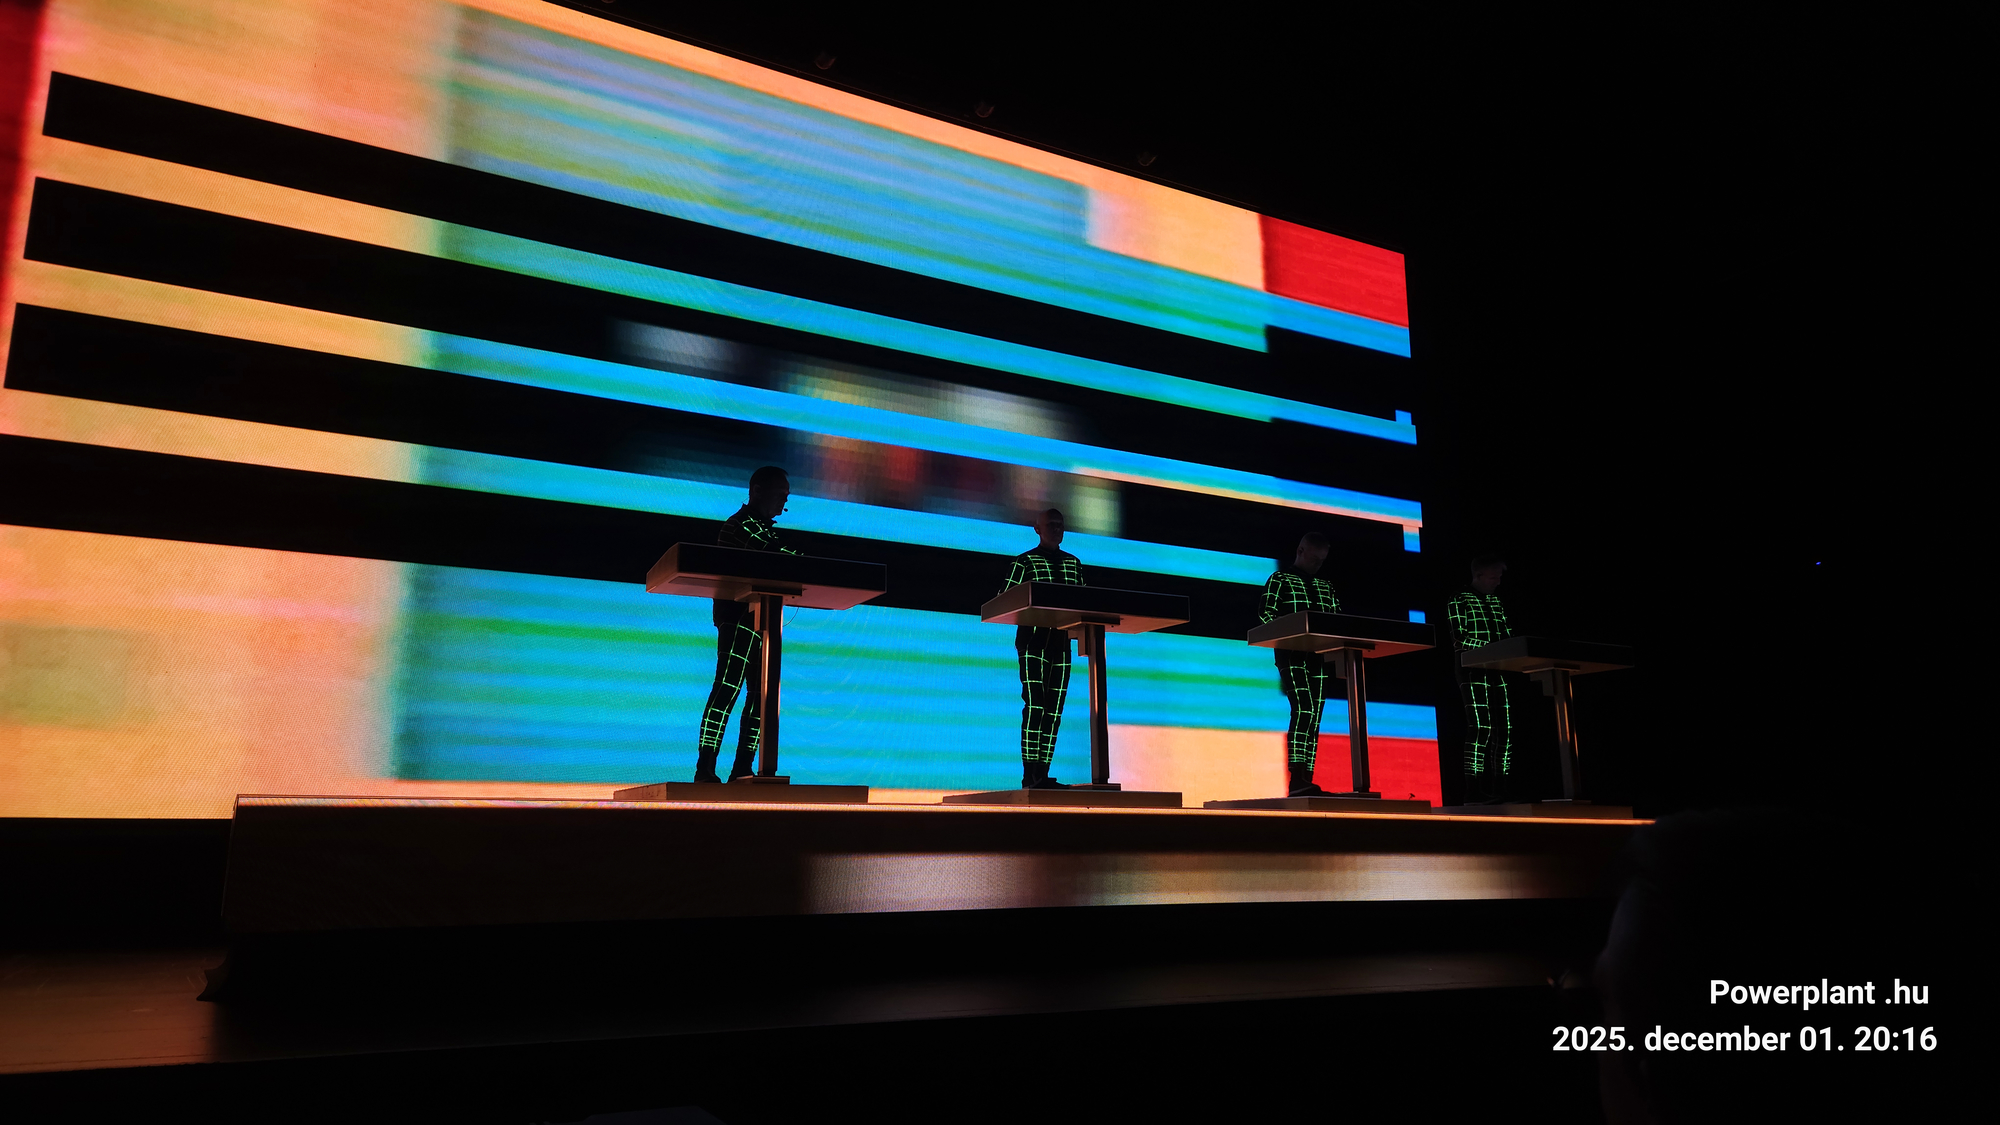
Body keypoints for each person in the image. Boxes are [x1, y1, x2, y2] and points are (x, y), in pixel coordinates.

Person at [692, 466, 801, 783]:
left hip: (762, 619)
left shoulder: (763, 529)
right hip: (738, 616)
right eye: (781, 494)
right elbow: (776, 555)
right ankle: (705, 768)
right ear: (757, 490)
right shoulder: (740, 526)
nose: (784, 502)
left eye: (787, 497)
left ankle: (743, 767)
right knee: (727, 688)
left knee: (760, 697)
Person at [998, 508, 1085, 789]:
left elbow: (1086, 603)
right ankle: (1030, 775)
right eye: (1051, 524)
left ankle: (1042, 773)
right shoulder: (1024, 562)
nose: (1057, 529)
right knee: (1035, 706)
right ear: (1037, 528)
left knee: (1054, 710)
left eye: (1060, 524)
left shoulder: (1073, 564)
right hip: (1033, 642)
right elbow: (1004, 600)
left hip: (1061, 644)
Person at [1259, 533, 1340, 797]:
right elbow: (1266, 614)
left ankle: (1306, 777)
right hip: (1291, 654)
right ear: (1301, 550)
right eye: (1314, 559)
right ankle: (1297, 777)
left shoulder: (1326, 586)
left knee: (1314, 715)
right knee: (1304, 709)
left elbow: (1338, 621)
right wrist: (1290, 633)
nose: (1318, 565)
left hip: (1319, 655)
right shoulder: (1280, 579)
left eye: (1322, 561)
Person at [1445, 552, 1514, 802]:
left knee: (1504, 730)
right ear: (1479, 575)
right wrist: (1492, 648)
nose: (1498, 582)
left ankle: (1500, 788)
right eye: (1494, 577)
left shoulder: (1496, 602)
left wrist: (1508, 650)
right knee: (1481, 727)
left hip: (1499, 669)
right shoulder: (1459, 599)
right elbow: (1459, 638)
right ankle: (1473, 790)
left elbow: (1507, 633)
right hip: (1471, 669)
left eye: (1499, 577)